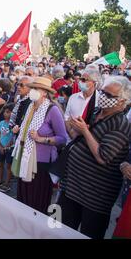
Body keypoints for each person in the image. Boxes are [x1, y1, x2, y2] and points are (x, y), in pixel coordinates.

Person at [60, 76, 131, 239]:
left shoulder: (121, 125)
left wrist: (85, 131)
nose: (103, 97)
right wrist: (76, 128)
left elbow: (103, 156)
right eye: (102, 92)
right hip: (71, 188)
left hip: (95, 198)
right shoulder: (97, 111)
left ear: (122, 101)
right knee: (58, 229)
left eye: (109, 95)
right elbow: (79, 138)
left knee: (88, 235)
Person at [11, 77, 68, 214]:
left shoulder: (52, 110)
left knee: (36, 199)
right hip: (25, 155)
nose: (32, 91)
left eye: (36, 89)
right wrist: (19, 130)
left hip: (41, 163)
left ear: (44, 92)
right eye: (32, 88)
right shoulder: (30, 106)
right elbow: (27, 127)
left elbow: (62, 138)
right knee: (24, 195)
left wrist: (41, 139)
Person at [64, 65, 101, 139]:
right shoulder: (73, 97)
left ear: (93, 83)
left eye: (84, 80)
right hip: (71, 140)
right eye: (80, 79)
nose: (80, 82)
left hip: (89, 141)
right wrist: (71, 132)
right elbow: (66, 118)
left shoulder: (99, 99)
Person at [0, 103, 15, 193]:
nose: (5, 114)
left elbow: (13, 137)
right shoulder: (2, 123)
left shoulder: (13, 125)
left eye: (7, 112)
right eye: (4, 112)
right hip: (0, 148)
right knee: (0, 164)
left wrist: (5, 147)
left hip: (9, 148)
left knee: (9, 166)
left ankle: (7, 183)